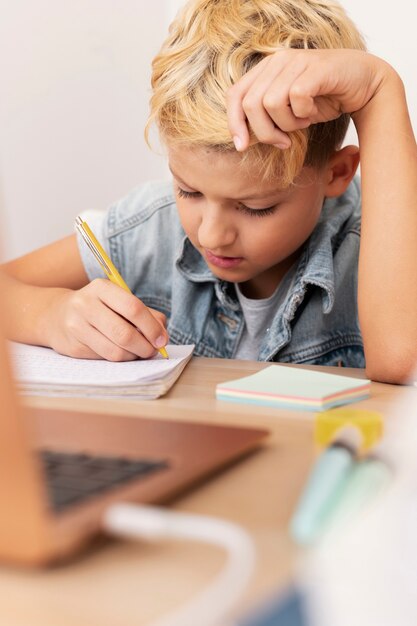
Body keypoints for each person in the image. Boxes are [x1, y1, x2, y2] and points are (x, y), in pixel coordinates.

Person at [2, 0, 416, 384]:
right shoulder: (150, 227)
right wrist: (50, 315)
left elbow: (401, 361)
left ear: (337, 173)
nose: (212, 236)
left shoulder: (377, 243)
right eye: (188, 191)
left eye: (256, 207)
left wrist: (379, 92)